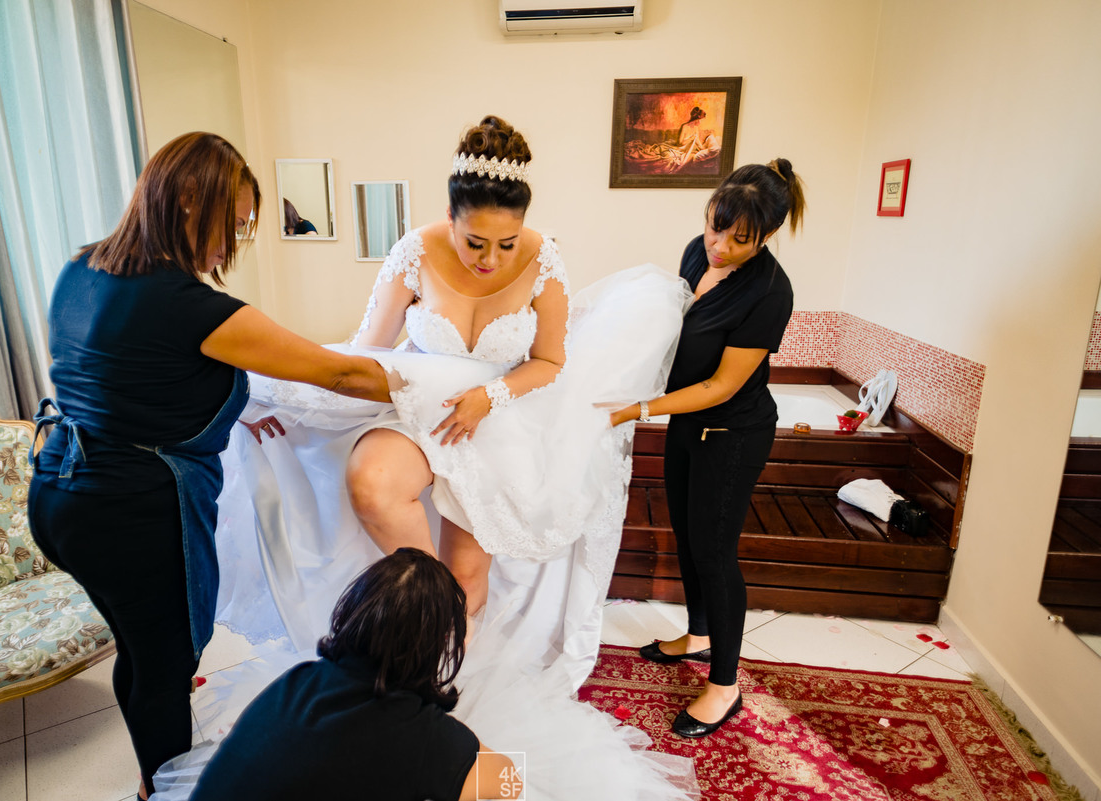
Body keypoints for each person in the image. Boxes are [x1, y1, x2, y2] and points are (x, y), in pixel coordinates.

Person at [218, 115, 691, 686]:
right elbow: (367, 347)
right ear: (450, 217)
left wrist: (490, 396)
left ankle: (445, 677)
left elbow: (549, 362)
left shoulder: (544, 260)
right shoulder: (414, 250)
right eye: (474, 242)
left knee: (469, 572)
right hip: (420, 414)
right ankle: (425, 613)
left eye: (506, 244)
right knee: (372, 484)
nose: (490, 259)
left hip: (499, 416)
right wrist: (287, 400)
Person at [28, 131, 391, 799]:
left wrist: (243, 409)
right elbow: (337, 369)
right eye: (237, 219)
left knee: (139, 648)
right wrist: (428, 388)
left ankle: (149, 776)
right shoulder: (194, 307)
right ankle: (164, 789)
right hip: (125, 507)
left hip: (57, 489)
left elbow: (126, 374)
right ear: (190, 199)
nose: (239, 239)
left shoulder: (82, 267)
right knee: (166, 663)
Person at [610, 158, 804, 738]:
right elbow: (672, 331)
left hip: (733, 434)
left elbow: (721, 385)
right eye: (715, 226)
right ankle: (698, 636)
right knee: (689, 537)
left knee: (716, 552)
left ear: (766, 236)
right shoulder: (698, 251)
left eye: (738, 239)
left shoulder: (771, 292)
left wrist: (637, 410)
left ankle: (725, 686)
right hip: (687, 425)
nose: (718, 246)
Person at [167, 548, 519, 801]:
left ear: (353, 610)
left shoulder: (300, 679)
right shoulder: (423, 733)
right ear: (441, 642)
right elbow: (509, 784)